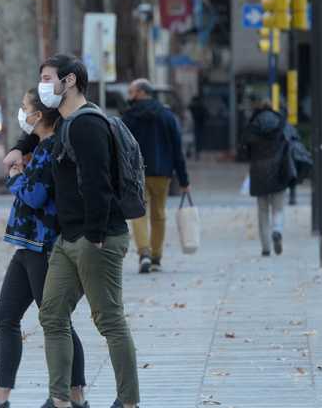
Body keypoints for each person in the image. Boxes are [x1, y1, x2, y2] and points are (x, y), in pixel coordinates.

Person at [0, 89, 88, 408]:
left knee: (56, 321)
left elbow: (34, 196)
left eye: (24, 109)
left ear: (39, 116)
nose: (21, 114)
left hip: (44, 245)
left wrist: (15, 176)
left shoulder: (52, 149)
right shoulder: (41, 145)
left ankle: (73, 396)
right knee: (5, 315)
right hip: (26, 244)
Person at [36, 54, 140, 408]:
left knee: (109, 319)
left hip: (97, 237)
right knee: (51, 312)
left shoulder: (86, 125)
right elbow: (34, 129)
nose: (43, 86)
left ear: (70, 82)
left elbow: (98, 183)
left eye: (49, 78)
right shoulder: (65, 123)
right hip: (69, 239)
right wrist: (20, 148)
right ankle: (61, 399)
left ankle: (128, 402)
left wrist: (94, 235)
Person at [121, 78, 190, 274]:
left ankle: (144, 253)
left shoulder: (129, 117)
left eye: (132, 91)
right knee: (159, 215)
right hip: (162, 172)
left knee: (139, 213)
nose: (129, 95)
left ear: (142, 92)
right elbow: (177, 149)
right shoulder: (167, 116)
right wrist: (184, 180)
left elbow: (121, 146)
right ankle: (156, 257)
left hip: (137, 173)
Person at [240, 97, 295, 257]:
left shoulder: (253, 125)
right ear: (272, 108)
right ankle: (277, 230)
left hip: (258, 171)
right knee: (278, 208)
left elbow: (244, 148)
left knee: (262, 211)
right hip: (278, 170)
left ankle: (266, 247)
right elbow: (290, 142)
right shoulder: (281, 122)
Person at [189, 94, 209, 159]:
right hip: (200, 124)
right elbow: (206, 114)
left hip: (196, 124)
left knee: (196, 139)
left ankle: (196, 153)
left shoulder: (195, 106)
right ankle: (197, 153)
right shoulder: (200, 105)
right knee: (198, 139)